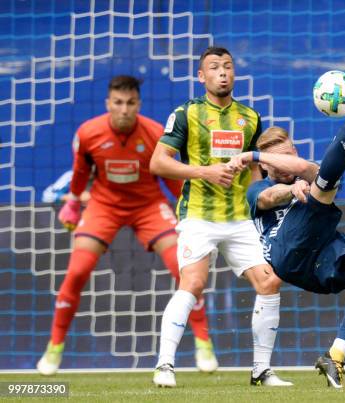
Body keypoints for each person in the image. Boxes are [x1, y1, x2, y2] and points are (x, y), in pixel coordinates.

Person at [36, 75, 218, 376]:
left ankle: (203, 342)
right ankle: (55, 347)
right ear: (108, 103)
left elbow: (173, 182)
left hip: (148, 206)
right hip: (104, 205)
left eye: (130, 103)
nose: (124, 109)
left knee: (182, 267)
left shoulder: (155, 134)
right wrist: (71, 203)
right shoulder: (88, 133)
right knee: (77, 270)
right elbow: (81, 174)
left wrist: (191, 214)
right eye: (118, 103)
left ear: (139, 104)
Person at [229, 62, 345, 389]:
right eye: (272, 162)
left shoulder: (307, 170)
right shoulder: (257, 189)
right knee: (323, 189)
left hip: (321, 256)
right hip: (287, 252)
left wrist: (263, 159)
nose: (282, 167)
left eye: (285, 156)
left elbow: (308, 169)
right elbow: (270, 196)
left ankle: (336, 355)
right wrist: (287, 187)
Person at [149, 46, 291, 388]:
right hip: (199, 216)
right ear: (202, 76)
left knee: (270, 282)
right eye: (214, 67)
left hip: (239, 219)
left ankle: (261, 370)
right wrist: (206, 172)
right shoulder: (186, 113)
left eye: (227, 66)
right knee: (194, 284)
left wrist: (265, 201)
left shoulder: (250, 118)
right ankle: (164, 365)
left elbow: (255, 172)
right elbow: (158, 163)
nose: (222, 72)